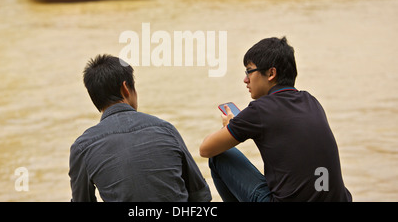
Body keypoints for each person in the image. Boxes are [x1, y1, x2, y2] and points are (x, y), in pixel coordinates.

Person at [199, 37, 352, 202]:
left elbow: (206, 149)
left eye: (249, 71)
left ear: (271, 73)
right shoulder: (311, 101)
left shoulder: (259, 110)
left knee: (219, 155)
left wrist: (228, 126)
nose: (245, 79)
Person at [69, 54, 211, 202]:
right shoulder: (165, 129)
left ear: (94, 98)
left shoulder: (82, 147)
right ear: (126, 88)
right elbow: (200, 195)